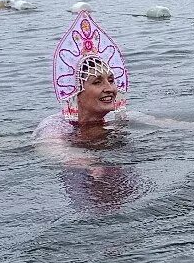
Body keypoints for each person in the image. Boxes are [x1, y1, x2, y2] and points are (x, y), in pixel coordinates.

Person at [34, 10, 132, 155]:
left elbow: (161, 122)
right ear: (77, 91)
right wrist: (86, 164)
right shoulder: (56, 126)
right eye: (97, 82)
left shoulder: (116, 117)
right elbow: (51, 149)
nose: (109, 88)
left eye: (111, 80)